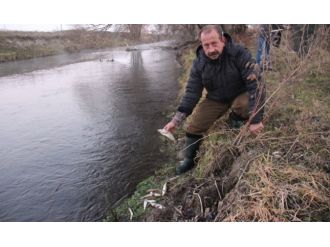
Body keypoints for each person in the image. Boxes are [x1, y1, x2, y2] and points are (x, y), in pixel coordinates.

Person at [163, 25, 266, 175]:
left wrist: (256, 119)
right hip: (216, 98)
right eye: (206, 45)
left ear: (222, 40)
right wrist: (175, 121)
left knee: (243, 105)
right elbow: (192, 93)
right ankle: (190, 160)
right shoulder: (199, 63)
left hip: (239, 93)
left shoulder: (239, 53)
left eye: (214, 43)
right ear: (201, 45)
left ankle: (235, 118)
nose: (211, 49)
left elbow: (256, 84)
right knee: (193, 127)